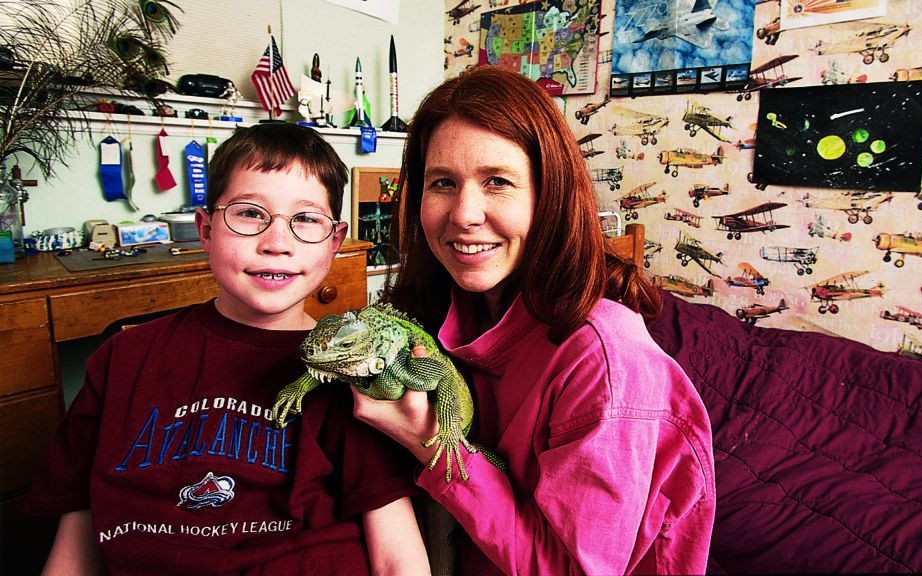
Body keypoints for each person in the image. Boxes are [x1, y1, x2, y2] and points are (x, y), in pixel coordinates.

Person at [352, 65, 716, 575]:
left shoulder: (605, 357)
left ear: (549, 195)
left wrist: (430, 440)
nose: (464, 214)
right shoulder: (440, 313)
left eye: (497, 182)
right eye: (442, 183)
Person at [24, 123, 429, 575]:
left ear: (334, 242)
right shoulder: (121, 360)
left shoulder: (356, 372)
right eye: (250, 213)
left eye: (307, 219)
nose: (277, 243)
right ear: (205, 228)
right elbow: (75, 542)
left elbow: (398, 552)